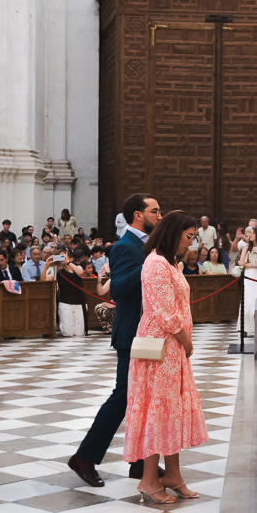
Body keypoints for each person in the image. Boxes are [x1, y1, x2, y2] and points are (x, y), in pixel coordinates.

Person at [69, 193, 161, 487]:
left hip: (147, 332)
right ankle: (84, 457)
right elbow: (118, 288)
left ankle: (139, 464)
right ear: (138, 215)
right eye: (155, 211)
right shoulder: (124, 246)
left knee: (143, 398)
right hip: (131, 332)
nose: (159, 216)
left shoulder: (149, 245)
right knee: (123, 395)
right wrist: (150, 265)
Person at [124, 210, 207, 504]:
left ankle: (172, 475)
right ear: (173, 233)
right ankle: (148, 480)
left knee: (172, 409)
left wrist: (183, 341)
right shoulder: (156, 264)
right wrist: (185, 339)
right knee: (157, 410)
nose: (191, 242)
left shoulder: (170, 262)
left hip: (172, 348)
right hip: (160, 347)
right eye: (188, 236)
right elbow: (164, 311)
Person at [55, 249, 88, 337]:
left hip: (79, 301)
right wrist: (47, 265)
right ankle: (62, 324)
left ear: (71, 258)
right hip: (65, 302)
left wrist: (68, 262)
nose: (63, 259)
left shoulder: (78, 267)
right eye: (61, 256)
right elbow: (46, 279)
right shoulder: (58, 271)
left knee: (79, 333)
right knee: (68, 333)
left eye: (64, 256)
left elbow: (80, 273)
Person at [95, 263, 115, 335]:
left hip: (126, 303)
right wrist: (99, 281)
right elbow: (101, 292)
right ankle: (109, 328)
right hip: (114, 303)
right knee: (99, 307)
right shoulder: (112, 280)